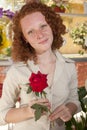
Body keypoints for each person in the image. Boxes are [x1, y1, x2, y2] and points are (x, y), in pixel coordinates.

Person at [0, 2, 81, 130]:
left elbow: (74, 101)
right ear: (24, 38)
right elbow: (1, 114)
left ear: (52, 26)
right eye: (30, 31)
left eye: (43, 26)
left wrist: (69, 109)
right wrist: (27, 111)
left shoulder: (69, 66)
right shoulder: (17, 71)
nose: (40, 35)